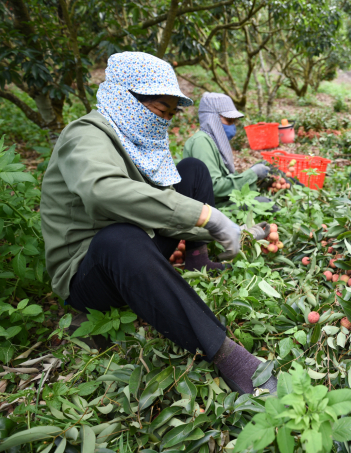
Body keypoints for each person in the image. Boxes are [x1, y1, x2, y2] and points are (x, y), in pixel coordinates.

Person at [40, 52, 276, 395]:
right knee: (119, 239)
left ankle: (198, 259)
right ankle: (228, 355)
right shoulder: (85, 136)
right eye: (161, 111)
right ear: (127, 99)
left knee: (193, 170)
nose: (164, 123)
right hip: (89, 271)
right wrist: (209, 217)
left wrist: (222, 231)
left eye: (170, 115)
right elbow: (102, 190)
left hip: (136, 244)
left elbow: (159, 208)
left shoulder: (134, 139)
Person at [183, 92, 273, 207]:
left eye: (233, 122)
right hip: (211, 208)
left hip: (222, 202)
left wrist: (256, 181)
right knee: (267, 205)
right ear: (212, 118)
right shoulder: (202, 142)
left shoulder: (215, 142)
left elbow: (227, 180)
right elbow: (214, 188)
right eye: (229, 121)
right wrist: (252, 174)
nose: (233, 127)